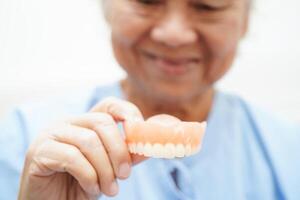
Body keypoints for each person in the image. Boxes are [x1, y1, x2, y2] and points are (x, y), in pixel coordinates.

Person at [0, 0, 299, 199]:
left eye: (208, 5)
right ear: (108, 8)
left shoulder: (290, 153)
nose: (174, 34)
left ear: (245, 20)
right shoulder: (22, 139)